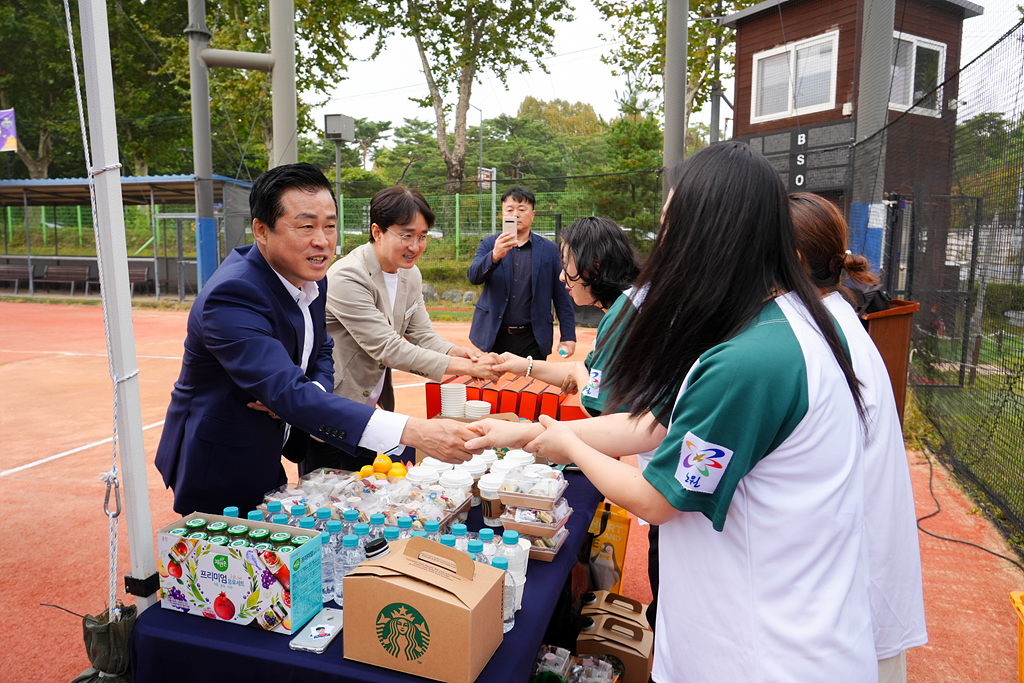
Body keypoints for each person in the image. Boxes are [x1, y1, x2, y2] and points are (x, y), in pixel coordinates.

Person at [467, 143, 877, 682]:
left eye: (671, 228)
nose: (662, 247)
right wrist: (533, 433)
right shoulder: (780, 324)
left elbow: (658, 499)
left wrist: (567, 445)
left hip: (763, 651)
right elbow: (657, 425)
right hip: (775, 628)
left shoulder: (752, 359)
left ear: (712, 235)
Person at [154, 163, 478, 515]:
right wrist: (411, 430)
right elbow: (288, 393)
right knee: (227, 562)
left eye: (330, 226)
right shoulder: (234, 294)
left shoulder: (312, 279)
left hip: (270, 444)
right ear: (261, 230)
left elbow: (323, 347)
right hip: (221, 458)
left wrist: (315, 391)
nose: (322, 240)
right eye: (306, 226)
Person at [490, 214, 670, 631]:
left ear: (594, 267)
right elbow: (585, 369)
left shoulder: (625, 311)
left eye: (567, 262)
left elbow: (597, 402)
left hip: (663, 465)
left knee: (669, 593)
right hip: (663, 455)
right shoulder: (635, 299)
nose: (562, 274)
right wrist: (525, 364)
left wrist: (535, 430)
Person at [790, 192, 927, 683]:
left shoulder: (816, 336)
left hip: (848, 581)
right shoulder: (835, 319)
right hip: (859, 562)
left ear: (796, 259)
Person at [302, 185, 501, 474]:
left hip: (370, 412)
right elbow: (388, 347)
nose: (415, 246)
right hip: (331, 408)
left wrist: (462, 354)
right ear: (378, 231)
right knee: (325, 497)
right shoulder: (348, 275)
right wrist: (467, 368)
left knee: (369, 491)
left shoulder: (410, 274)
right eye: (406, 235)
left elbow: (422, 335)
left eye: (422, 237)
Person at [468, 185, 576, 360]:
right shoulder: (489, 244)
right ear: (502, 214)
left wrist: (568, 336)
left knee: (531, 386)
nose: (515, 214)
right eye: (509, 209)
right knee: (495, 385)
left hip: (533, 337)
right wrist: (494, 256)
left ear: (532, 215)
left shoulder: (549, 249)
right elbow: (473, 277)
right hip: (495, 335)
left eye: (522, 209)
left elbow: (561, 295)